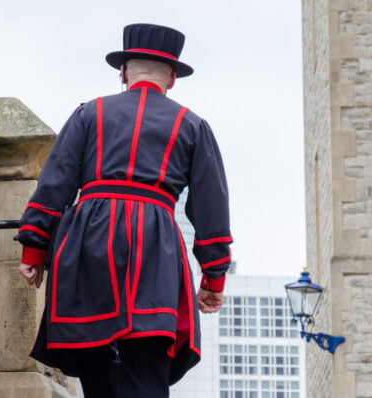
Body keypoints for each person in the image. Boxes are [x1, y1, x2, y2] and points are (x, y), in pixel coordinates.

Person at [15, 23, 232, 398]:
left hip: (89, 244)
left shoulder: (89, 113)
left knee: (95, 367)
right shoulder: (193, 126)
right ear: (173, 78)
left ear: (124, 72)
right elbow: (211, 210)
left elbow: (55, 185)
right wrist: (213, 280)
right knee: (146, 369)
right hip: (155, 249)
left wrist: (34, 248)